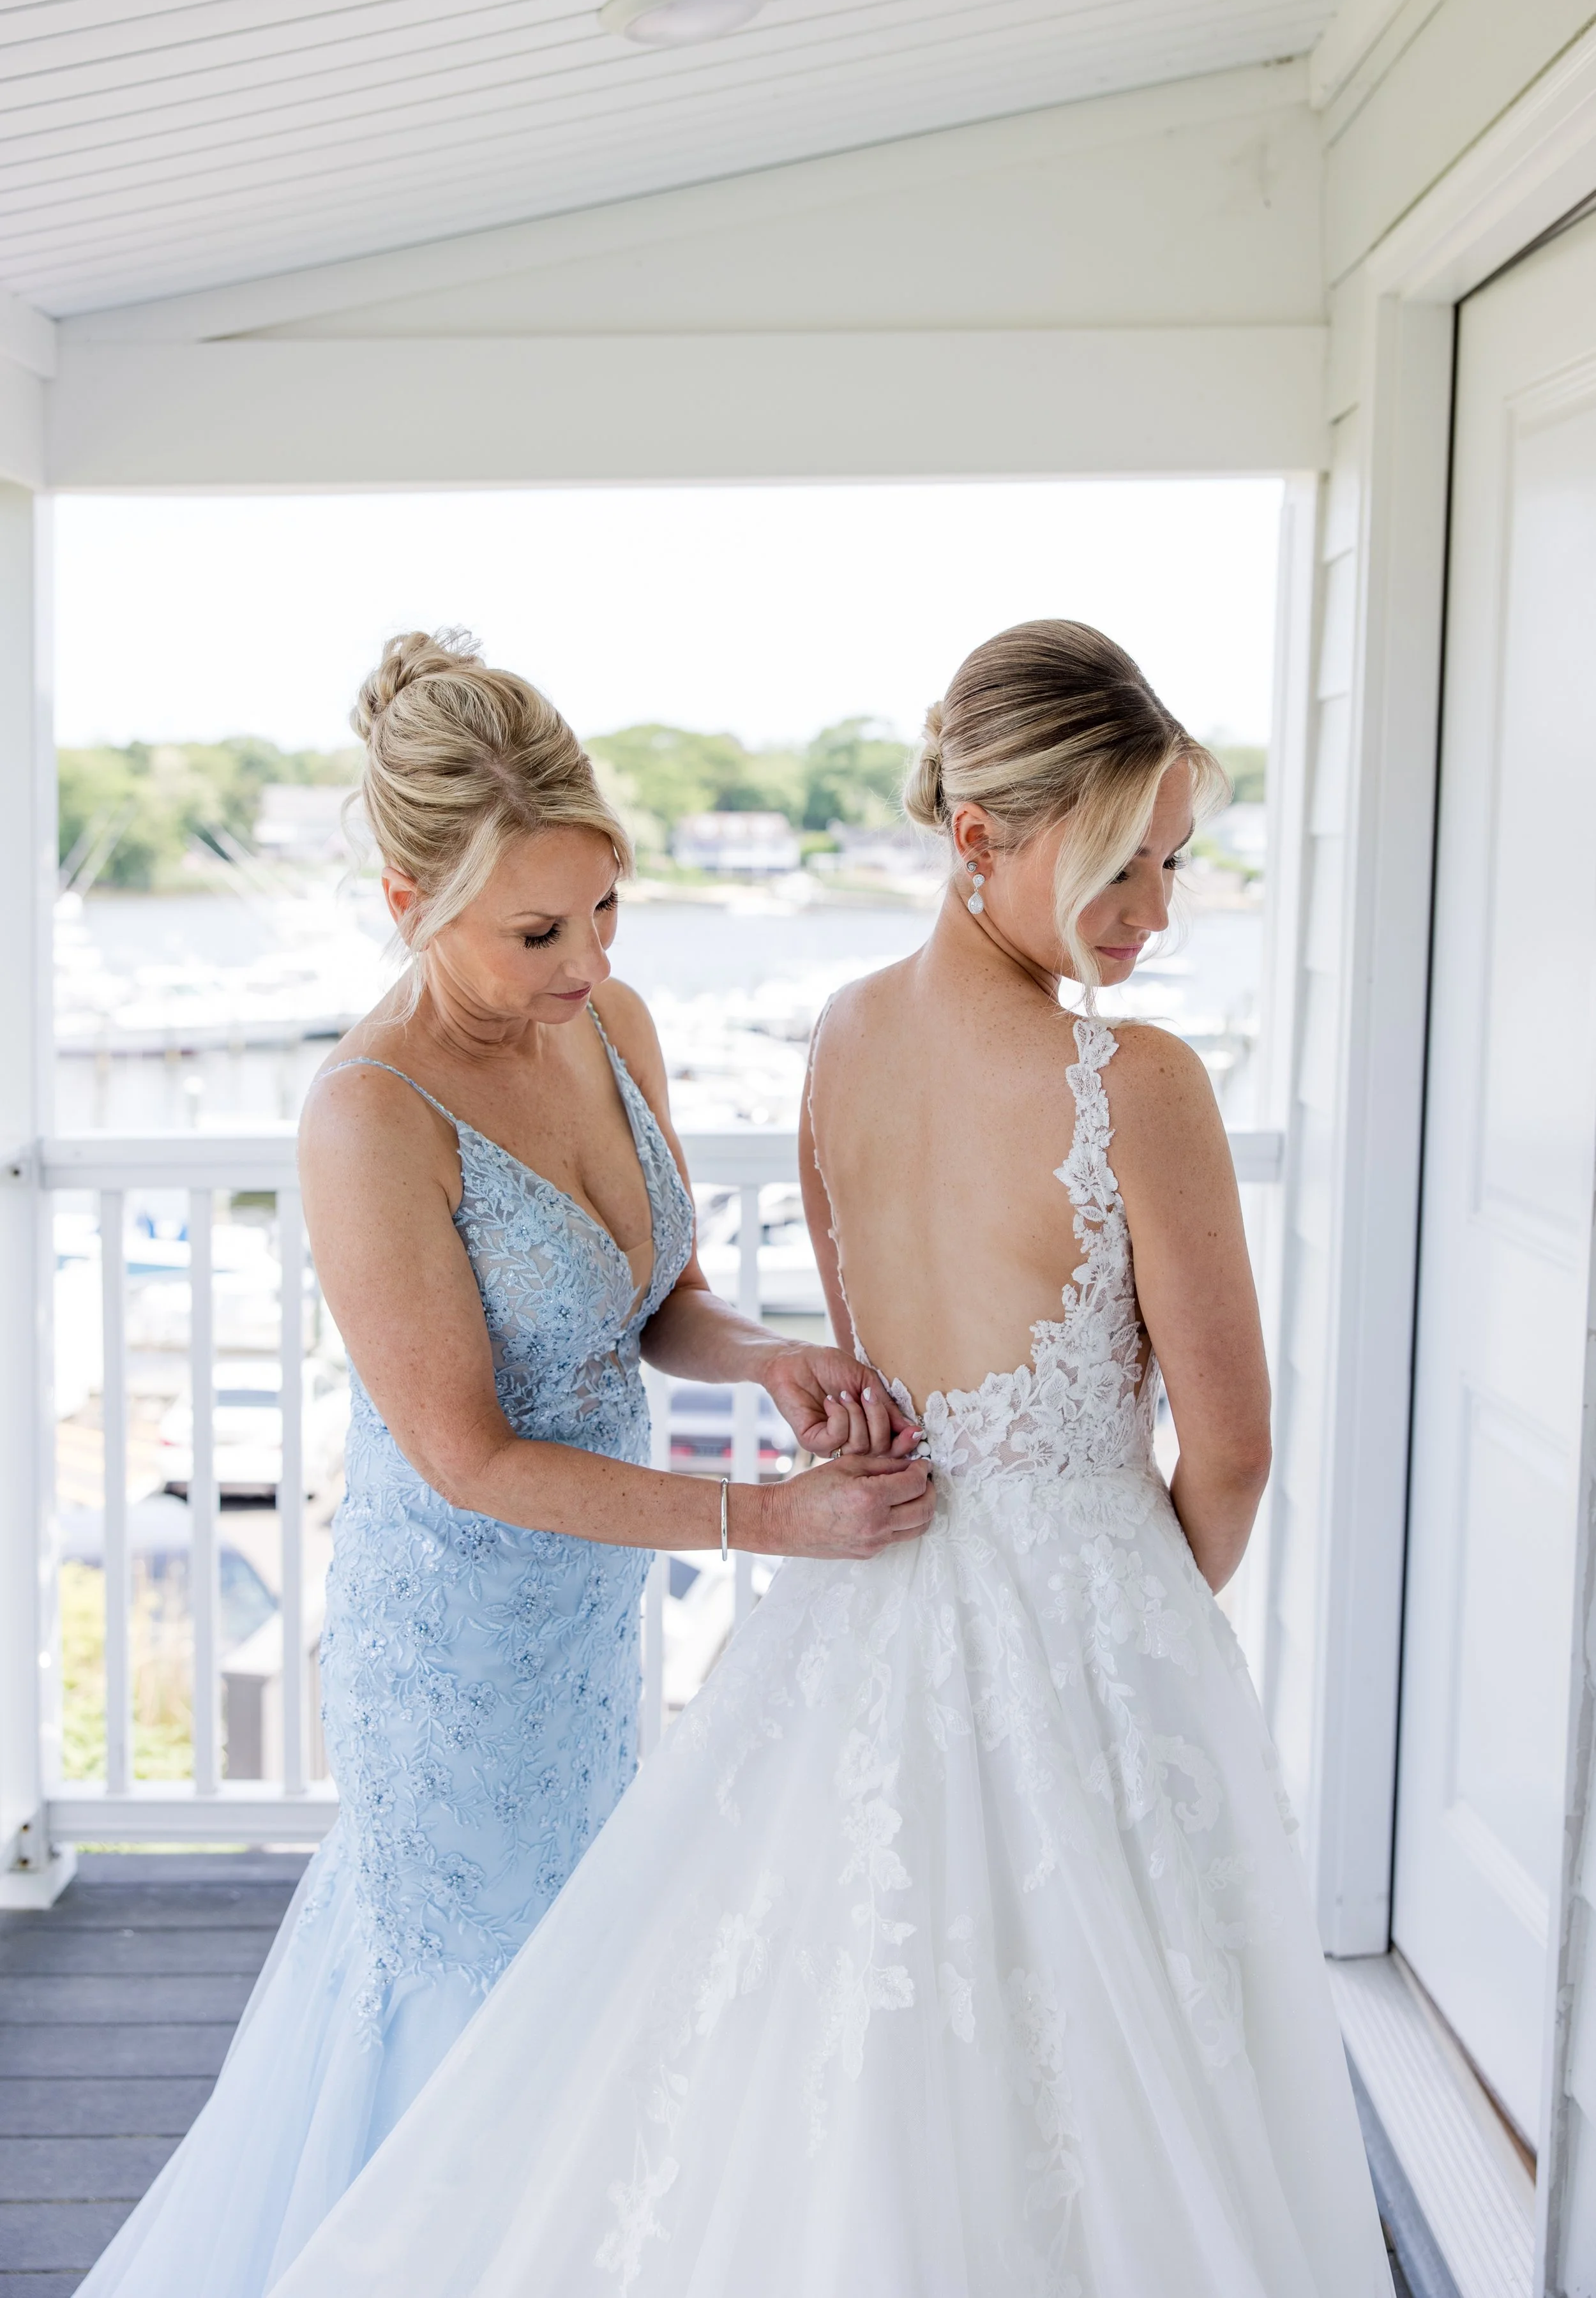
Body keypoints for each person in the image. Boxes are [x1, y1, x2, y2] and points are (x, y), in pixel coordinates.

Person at [273, 622, 1394, 2298]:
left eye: (1174, 864)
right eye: (1121, 865)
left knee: (793, 2019)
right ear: (979, 838)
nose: (1158, 912)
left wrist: (786, 1379)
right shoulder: (1135, 1082)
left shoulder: (841, 1036)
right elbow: (1226, 1444)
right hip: (730, 1568)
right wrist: (1132, 1615)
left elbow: (818, 1324)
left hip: (852, 1578)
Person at [77, 631, 930, 2298]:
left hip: (593, 1618)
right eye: (537, 929)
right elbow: (466, 1453)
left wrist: (782, 1365)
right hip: (458, 1639)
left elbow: (660, 1301)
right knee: (477, 2010)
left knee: (588, 2003)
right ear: (406, 896)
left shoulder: (615, 1026)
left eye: (605, 911)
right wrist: (771, 1521)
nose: (582, 962)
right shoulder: (368, 1115)